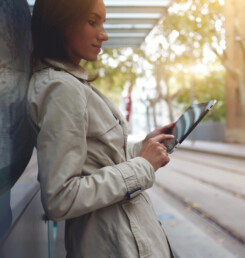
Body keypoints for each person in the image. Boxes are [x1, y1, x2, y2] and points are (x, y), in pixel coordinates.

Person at [28, 0, 176, 257]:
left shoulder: (71, 82)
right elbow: (60, 198)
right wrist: (142, 166)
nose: (104, 35)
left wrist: (142, 149)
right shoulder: (63, 90)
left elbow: (97, 160)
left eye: (103, 23)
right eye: (92, 22)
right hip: (116, 244)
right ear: (61, 23)